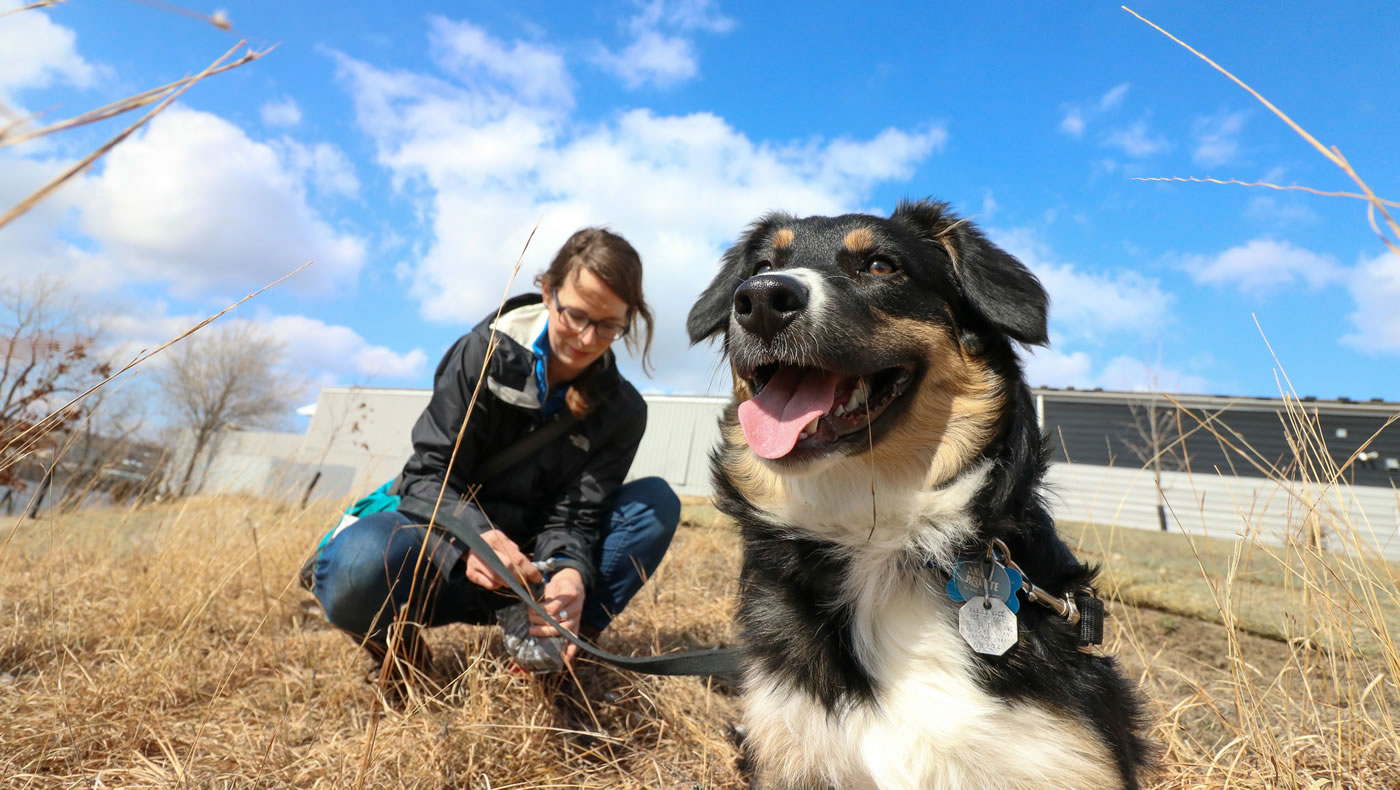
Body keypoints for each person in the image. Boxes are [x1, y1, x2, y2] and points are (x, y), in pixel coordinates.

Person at [311, 227, 679, 676]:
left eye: (608, 326)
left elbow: (576, 516)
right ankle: (404, 666)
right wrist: (474, 540)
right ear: (547, 291)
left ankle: (555, 653)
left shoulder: (622, 411)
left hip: (531, 571)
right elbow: (430, 474)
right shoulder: (480, 356)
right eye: (576, 316)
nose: (586, 339)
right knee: (355, 564)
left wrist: (569, 572)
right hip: (446, 555)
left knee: (654, 505)